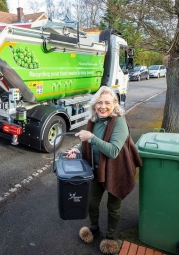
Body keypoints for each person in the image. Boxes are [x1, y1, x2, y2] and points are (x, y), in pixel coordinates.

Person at [66, 86, 142, 255]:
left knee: (113, 206)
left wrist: (91, 138)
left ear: (114, 104)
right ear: (94, 105)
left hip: (117, 170)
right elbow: (86, 143)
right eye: (99, 102)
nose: (103, 106)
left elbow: (113, 151)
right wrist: (77, 150)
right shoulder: (93, 121)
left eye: (107, 102)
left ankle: (110, 237)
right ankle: (93, 229)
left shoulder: (119, 122)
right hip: (96, 170)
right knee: (92, 203)